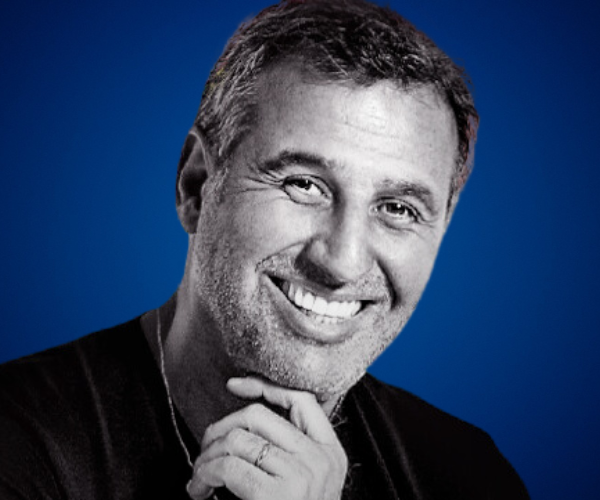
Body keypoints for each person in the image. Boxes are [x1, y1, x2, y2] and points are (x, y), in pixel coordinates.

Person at [0, 1, 530, 499]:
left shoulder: (468, 474)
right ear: (197, 185)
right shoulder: (21, 440)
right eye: (304, 185)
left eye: (397, 209)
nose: (341, 263)